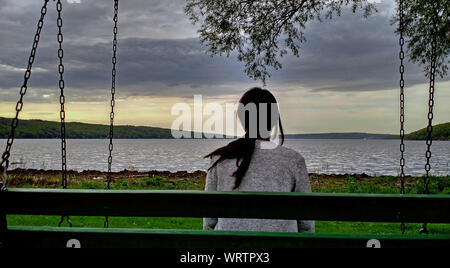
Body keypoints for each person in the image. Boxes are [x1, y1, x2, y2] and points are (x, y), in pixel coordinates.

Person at [203, 87, 314, 233]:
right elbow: (306, 223)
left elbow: (210, 221)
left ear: (242, 120)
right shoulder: (294, 161)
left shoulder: (220, 159)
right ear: (274, 120)